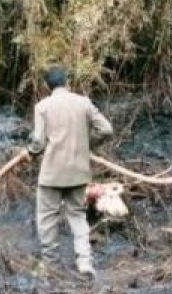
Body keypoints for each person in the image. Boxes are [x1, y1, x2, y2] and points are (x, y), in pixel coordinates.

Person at [27, 66, 113, 277]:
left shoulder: (42, 106)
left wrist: (30, 152)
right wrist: (88, 144)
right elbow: (106, 129)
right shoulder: (83, 103)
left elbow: (38, 142)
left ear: (47, 86)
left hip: (52, 175)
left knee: (47, 218)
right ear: (67, 82)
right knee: (77, 216)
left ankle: (51, 264)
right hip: (78, 172)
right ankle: (84, 263)